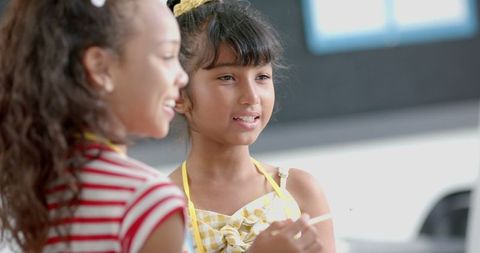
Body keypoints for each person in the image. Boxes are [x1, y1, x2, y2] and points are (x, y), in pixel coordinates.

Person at [0, 0, 190, 252]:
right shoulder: (149, 201)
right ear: (101, 67)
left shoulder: (39, 185)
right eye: (167, 56)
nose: (183, 76)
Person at [166, 0, 336, 252]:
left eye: (262, 77)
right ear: (179, 95)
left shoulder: (299, 190)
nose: (252, 96)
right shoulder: (165, 205)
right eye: (227, 77)